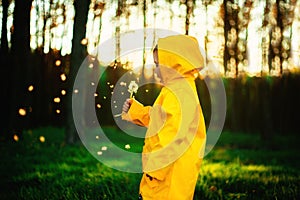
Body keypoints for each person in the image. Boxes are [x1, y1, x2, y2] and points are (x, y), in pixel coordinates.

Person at [122, 35, 206, 200]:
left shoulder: (180, 93)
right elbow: (160, 119)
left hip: (168, 174)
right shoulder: (176, 89)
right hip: (167, 171)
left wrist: (155, 169)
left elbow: (173, 135)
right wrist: (136, 111)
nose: (156, 69)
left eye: (158, 64)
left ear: (173, 63)